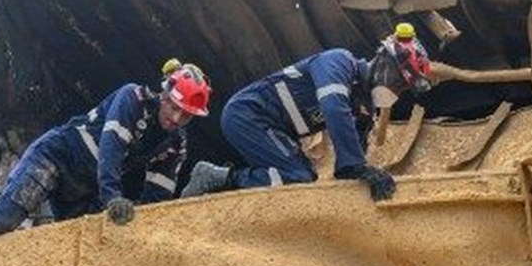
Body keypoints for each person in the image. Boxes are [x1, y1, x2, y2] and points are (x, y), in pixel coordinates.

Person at [0, 60, 211, 253]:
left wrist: (138, 226)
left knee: (78, 246)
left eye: (186, 115)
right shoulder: (133, 98)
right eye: (174, 107)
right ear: (165, 95)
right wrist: (113, 198)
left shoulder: (175, 144)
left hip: (83, 189)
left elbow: (156, 198)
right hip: (57, 157)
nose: (176, 118)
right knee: (1, 220)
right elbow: (111, 152)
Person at [181, 23, 432, 202]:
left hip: (275, 128)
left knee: (302, 177)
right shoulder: (339, 62)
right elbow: (334, 107)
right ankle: (218, 176)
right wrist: (353, 166)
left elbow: (356, 155)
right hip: (248, 113)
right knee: (296, 177)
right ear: (383, 62)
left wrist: (363, 178)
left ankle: (227, 182)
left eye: (402, 87)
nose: (395, 90)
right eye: (397, 81)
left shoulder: (362, 104)